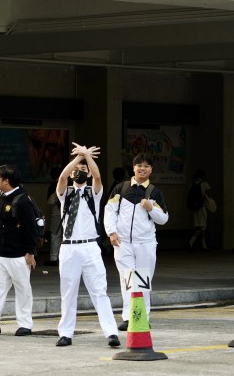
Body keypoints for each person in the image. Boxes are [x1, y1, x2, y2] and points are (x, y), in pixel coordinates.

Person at [54, 145, 120, 348]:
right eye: (77, 170)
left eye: (83, 170)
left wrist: (87, 158)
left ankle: (111, 333)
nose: (79, 171)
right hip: (69, 248)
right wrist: (79, 157)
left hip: (90, 247)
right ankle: (65, 333)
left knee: (99, 291)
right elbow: (63, 177)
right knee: (68, 292)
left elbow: (98, 177)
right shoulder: (66, 193)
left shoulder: (94, 192)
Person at [104, 153, 169, 331]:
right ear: (133, 168)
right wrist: (112, 232)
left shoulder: (154, 192)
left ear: (151, 170)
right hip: (123, 243)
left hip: (145, 243)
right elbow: (109, 211)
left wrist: (150, 208)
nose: (142, 168)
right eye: (139, 165)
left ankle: (142, 317)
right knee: (127, 279)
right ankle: (128, 317)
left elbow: (163, 218)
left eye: (146, 166)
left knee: (142, 280)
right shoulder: (121, 188)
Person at [0, 164, 40, 336]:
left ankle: (25, 324)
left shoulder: (23, 200)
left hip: (19, 255)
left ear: (6, 181)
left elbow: (31, 228)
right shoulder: (1, 196)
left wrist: (30, 252)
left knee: (23, 290)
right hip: (0, 254)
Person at [187, 169, 212, 250]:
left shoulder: (193, 184)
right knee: (202, 227)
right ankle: (191, 242)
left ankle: (204, 245)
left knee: (199, 227)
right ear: (203, 176)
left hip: (195, 207)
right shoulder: (205, 184)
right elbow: (209, 194)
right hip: (202, 207)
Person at [44, 167, 62, 266]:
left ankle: (54, 258)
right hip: (71, 212)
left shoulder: (53, 185)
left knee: (55, 234)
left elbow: (50, 201)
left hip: (57, 211)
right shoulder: (71, 183)